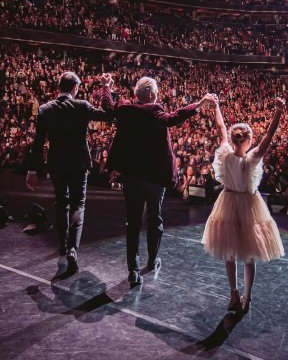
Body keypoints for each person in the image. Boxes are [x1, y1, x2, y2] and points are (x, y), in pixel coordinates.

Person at [101, 74, 216, 286]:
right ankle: (152, 261)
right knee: (155, 219)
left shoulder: (125, 109)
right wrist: (199, 104)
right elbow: (173, 118)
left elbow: (108, 105)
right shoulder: (154, 111)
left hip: (131, 176)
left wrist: (106, 86)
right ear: (153, 94)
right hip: (154, 178)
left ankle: (133, 270)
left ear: (136, 94)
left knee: (133, 223)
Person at [202, 96, 285, 315]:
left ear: (233, 138)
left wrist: (217, 106)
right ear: (248, 141)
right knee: (249, 253)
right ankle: (247, 297)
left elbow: (220, 127)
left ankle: (233, 293)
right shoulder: (252, 158)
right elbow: (268, 137)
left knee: (228, 250)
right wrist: (277, 111)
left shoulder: (226, 155)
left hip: (228, 201)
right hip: (249, 204)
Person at [26, 71, 112, 273]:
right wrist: (106, 87)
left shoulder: (46, 110)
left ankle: (63, 245)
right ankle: (73, 248)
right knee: (78, 204)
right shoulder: (81, 106)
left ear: (59, 88)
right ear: (75, 87)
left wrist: (32, 170)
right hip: (79, 164)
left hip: (57, 163)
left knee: (61, 202)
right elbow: (108, 115)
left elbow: (38, 143)